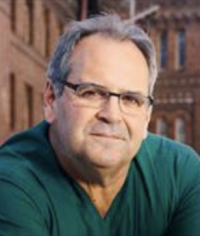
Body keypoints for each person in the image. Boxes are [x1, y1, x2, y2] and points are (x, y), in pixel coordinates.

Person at [0, 14, 200, 236]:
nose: (112, 115)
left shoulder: (180, 174)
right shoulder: (11, 181)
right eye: (92, 92)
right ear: (51, 99)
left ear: (146, 117)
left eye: (131, 99)